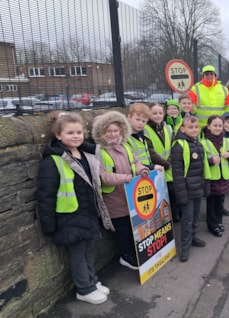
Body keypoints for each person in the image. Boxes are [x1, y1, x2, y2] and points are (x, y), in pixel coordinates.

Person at [37, 112, 113, 305]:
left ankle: (92, 282)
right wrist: (49, 225)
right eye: (70, 132)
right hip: (69, 216)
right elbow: (45, 195)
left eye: (79, 132)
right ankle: (84, 289)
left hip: (87, 212)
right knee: (78, 254)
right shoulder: (53, 160)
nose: (76, 136)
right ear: (59, 135)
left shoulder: (86, 153)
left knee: (88, 250)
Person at [92, 111, 150, 271]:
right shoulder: (99, 152)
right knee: (122, 230)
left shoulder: (125, 146)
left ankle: (134, 253)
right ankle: (126, 256)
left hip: (130, 195)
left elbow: (136, 162)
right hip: (114, 198)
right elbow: (102, 176)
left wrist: (142, 169)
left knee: (133, 227)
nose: (112, 134)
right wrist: (124, 177)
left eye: (115, 130)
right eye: (108, 131)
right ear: (100, 133)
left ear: (121, 131)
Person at [171, 116, 211, 262]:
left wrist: (206, 186)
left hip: (197, 189)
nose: (194, 130)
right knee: (187, 219)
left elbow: (204, 168)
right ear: (182, 129)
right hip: (186, 191)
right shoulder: (179, 146)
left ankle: (193, 238)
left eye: (196, 127)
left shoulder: (199, 145)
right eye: (190, 127)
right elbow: (178, 174)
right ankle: (184, 247)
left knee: (195, 217)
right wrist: (181, 194)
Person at [200, 115, 229, 237]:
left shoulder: (227, 140)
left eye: (220, 126)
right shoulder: (203, 143)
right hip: (212, 178)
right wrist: (210, 161)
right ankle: (212, 225)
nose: (218, 128)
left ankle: (219, 222)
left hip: (224, 178)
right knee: (211, 203)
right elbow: (201, 160)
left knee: (220, 203)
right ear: (209, 126)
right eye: (215, 125)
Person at [144, 103, 179, 222]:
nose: (158, 116)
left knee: (173, 193)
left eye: (160, 113)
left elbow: (174, 145)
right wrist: (165, 163)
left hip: (169, 166)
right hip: (158, 168)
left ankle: (174, 214)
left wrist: (169, 162)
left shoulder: (168, 127)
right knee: (161, 195)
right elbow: (150, 151)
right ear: (148, 114)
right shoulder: (145, 130)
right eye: (154, 113)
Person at [126, 103, 164, 172]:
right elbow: (129, 162)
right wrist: (151, 167)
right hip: (135, 175)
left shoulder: (141, 133)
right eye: (137, 119)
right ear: (129, 117)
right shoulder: (125, 138)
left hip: (145, 173)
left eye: (144, 121)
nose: (140, 123)